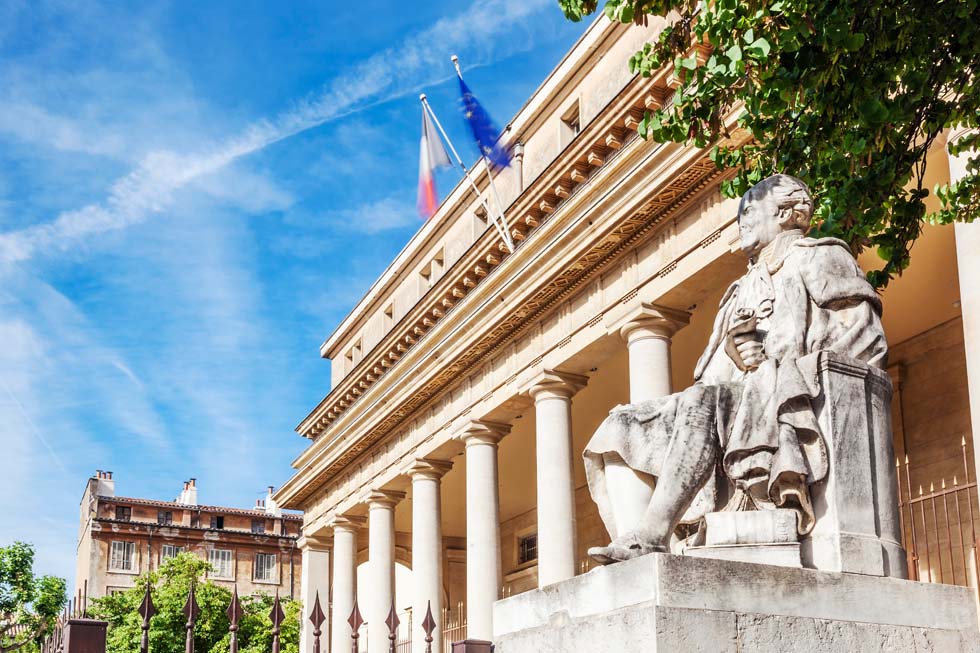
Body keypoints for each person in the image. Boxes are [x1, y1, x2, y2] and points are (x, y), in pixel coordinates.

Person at [584, 174, 887, 564]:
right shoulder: (737, 292)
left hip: (787, 395)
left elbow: (864, 338)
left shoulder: (820, 256)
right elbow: (713, 376)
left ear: (783, 212)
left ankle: (653, 535)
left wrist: (778, 364)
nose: (740, 220)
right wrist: (738, 354)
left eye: (750, 210)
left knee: (699, 402)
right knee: (623, 423)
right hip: (734, 405)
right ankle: (638, 556)